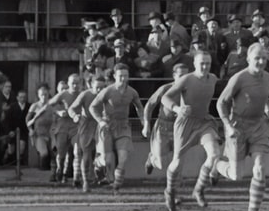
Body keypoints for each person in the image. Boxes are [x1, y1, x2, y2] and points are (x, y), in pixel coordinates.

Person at [212, 43, 269, 211]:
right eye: (257, 58)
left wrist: (268, 112)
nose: (260, 62)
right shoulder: (239, 78)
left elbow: (263, 97)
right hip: (238, 126)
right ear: (249, 59)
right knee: (235, 175)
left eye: (264, 58)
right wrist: (227, 125)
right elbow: (221, 103)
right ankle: (216, 164)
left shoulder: (267, 78)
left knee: (260, 168)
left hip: (259, 126)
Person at [161, 52, 223, 211]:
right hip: (185, 123)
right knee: (177, 163)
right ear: (195, 64)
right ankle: (170, 191)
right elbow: (165, 98)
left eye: (208, 63)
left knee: (214, 154)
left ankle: (198, 190)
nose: (205, 67)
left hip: (203, 122)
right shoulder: (186, 79)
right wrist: (178, 108)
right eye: (202, 63)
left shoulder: (213, 79)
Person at [89, 63, 145, 192]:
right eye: (120, 76)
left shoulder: (132, 92)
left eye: (125, 76)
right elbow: (92, 107)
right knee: (107, 160)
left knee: (123, 157)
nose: (123, 79)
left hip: (123, 126)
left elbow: (139, 107)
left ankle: (116, 184)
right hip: (107, 126)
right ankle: (98, 163)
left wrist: (143, 121)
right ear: (115, 76)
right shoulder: (107, 91)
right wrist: (100, 121)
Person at [142, 63, 189, 175]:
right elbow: (149, 105)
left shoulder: (191, 90)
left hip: (180, 127)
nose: (184, 79)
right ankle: (152, 159)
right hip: (163, 126)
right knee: (162, 163)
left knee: (178, 159)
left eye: (186, 76)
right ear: (174, 75)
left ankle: (175, 182)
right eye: (181, 75)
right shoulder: (165, 89)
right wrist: (146, 124)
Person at [68, 75, 106, 192]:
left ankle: (99, 174)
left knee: (104, 154)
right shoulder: (85, 95)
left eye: (101, 87)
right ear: (91, 85)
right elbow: (71, 109)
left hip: (101, 126)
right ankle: (85, 182)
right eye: (97, 87)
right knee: (86, 155)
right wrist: (74, 116)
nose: (99, 90)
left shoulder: (107, 94)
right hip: (86, 126)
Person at [47, 73, 81, 185]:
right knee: (61, 155)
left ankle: (76, 178)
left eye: (77, 83)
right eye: (73, 83)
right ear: (69, 83)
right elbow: (49, 104)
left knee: (77, 151)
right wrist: (58, 112)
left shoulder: (82, 95)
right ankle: (60, 173)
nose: (75, 86)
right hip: (62, 128)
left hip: (76, 127)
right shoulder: (63, 94)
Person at [26, 84, 54, 179]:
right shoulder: (35, 106)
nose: (43, 97)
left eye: (45, 94)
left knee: (53, 152)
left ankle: (52, 174)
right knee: (44, 153)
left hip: (51, 133)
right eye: (41, 94)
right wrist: (30, 130)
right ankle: (42, 174)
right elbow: (27, 120)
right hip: (39, 134)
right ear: (38, 95)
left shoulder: (52, 105)